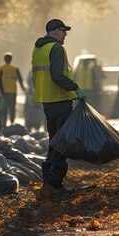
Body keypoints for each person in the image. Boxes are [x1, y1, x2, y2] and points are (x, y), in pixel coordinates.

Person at [32, 18, 86, 200]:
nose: (65, 36)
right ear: (55, 31)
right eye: (64, 31)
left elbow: (36, 76)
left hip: (47, 101)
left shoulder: (38, 48)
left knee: (54, 142)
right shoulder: (56, 48)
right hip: (60, 100)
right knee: (62, 144)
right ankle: (54, 185)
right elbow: (57, 75)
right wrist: (74, 87)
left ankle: (49, 183)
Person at [0, 52, 26, 126]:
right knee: (12, 109)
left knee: (4, 110)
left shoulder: (0, 69)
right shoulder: (15, 69)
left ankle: (3, 126)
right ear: (11, 59)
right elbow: (20, 80)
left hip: (3, 93)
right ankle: (12, 124)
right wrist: (24, 90)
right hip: (12, 93)